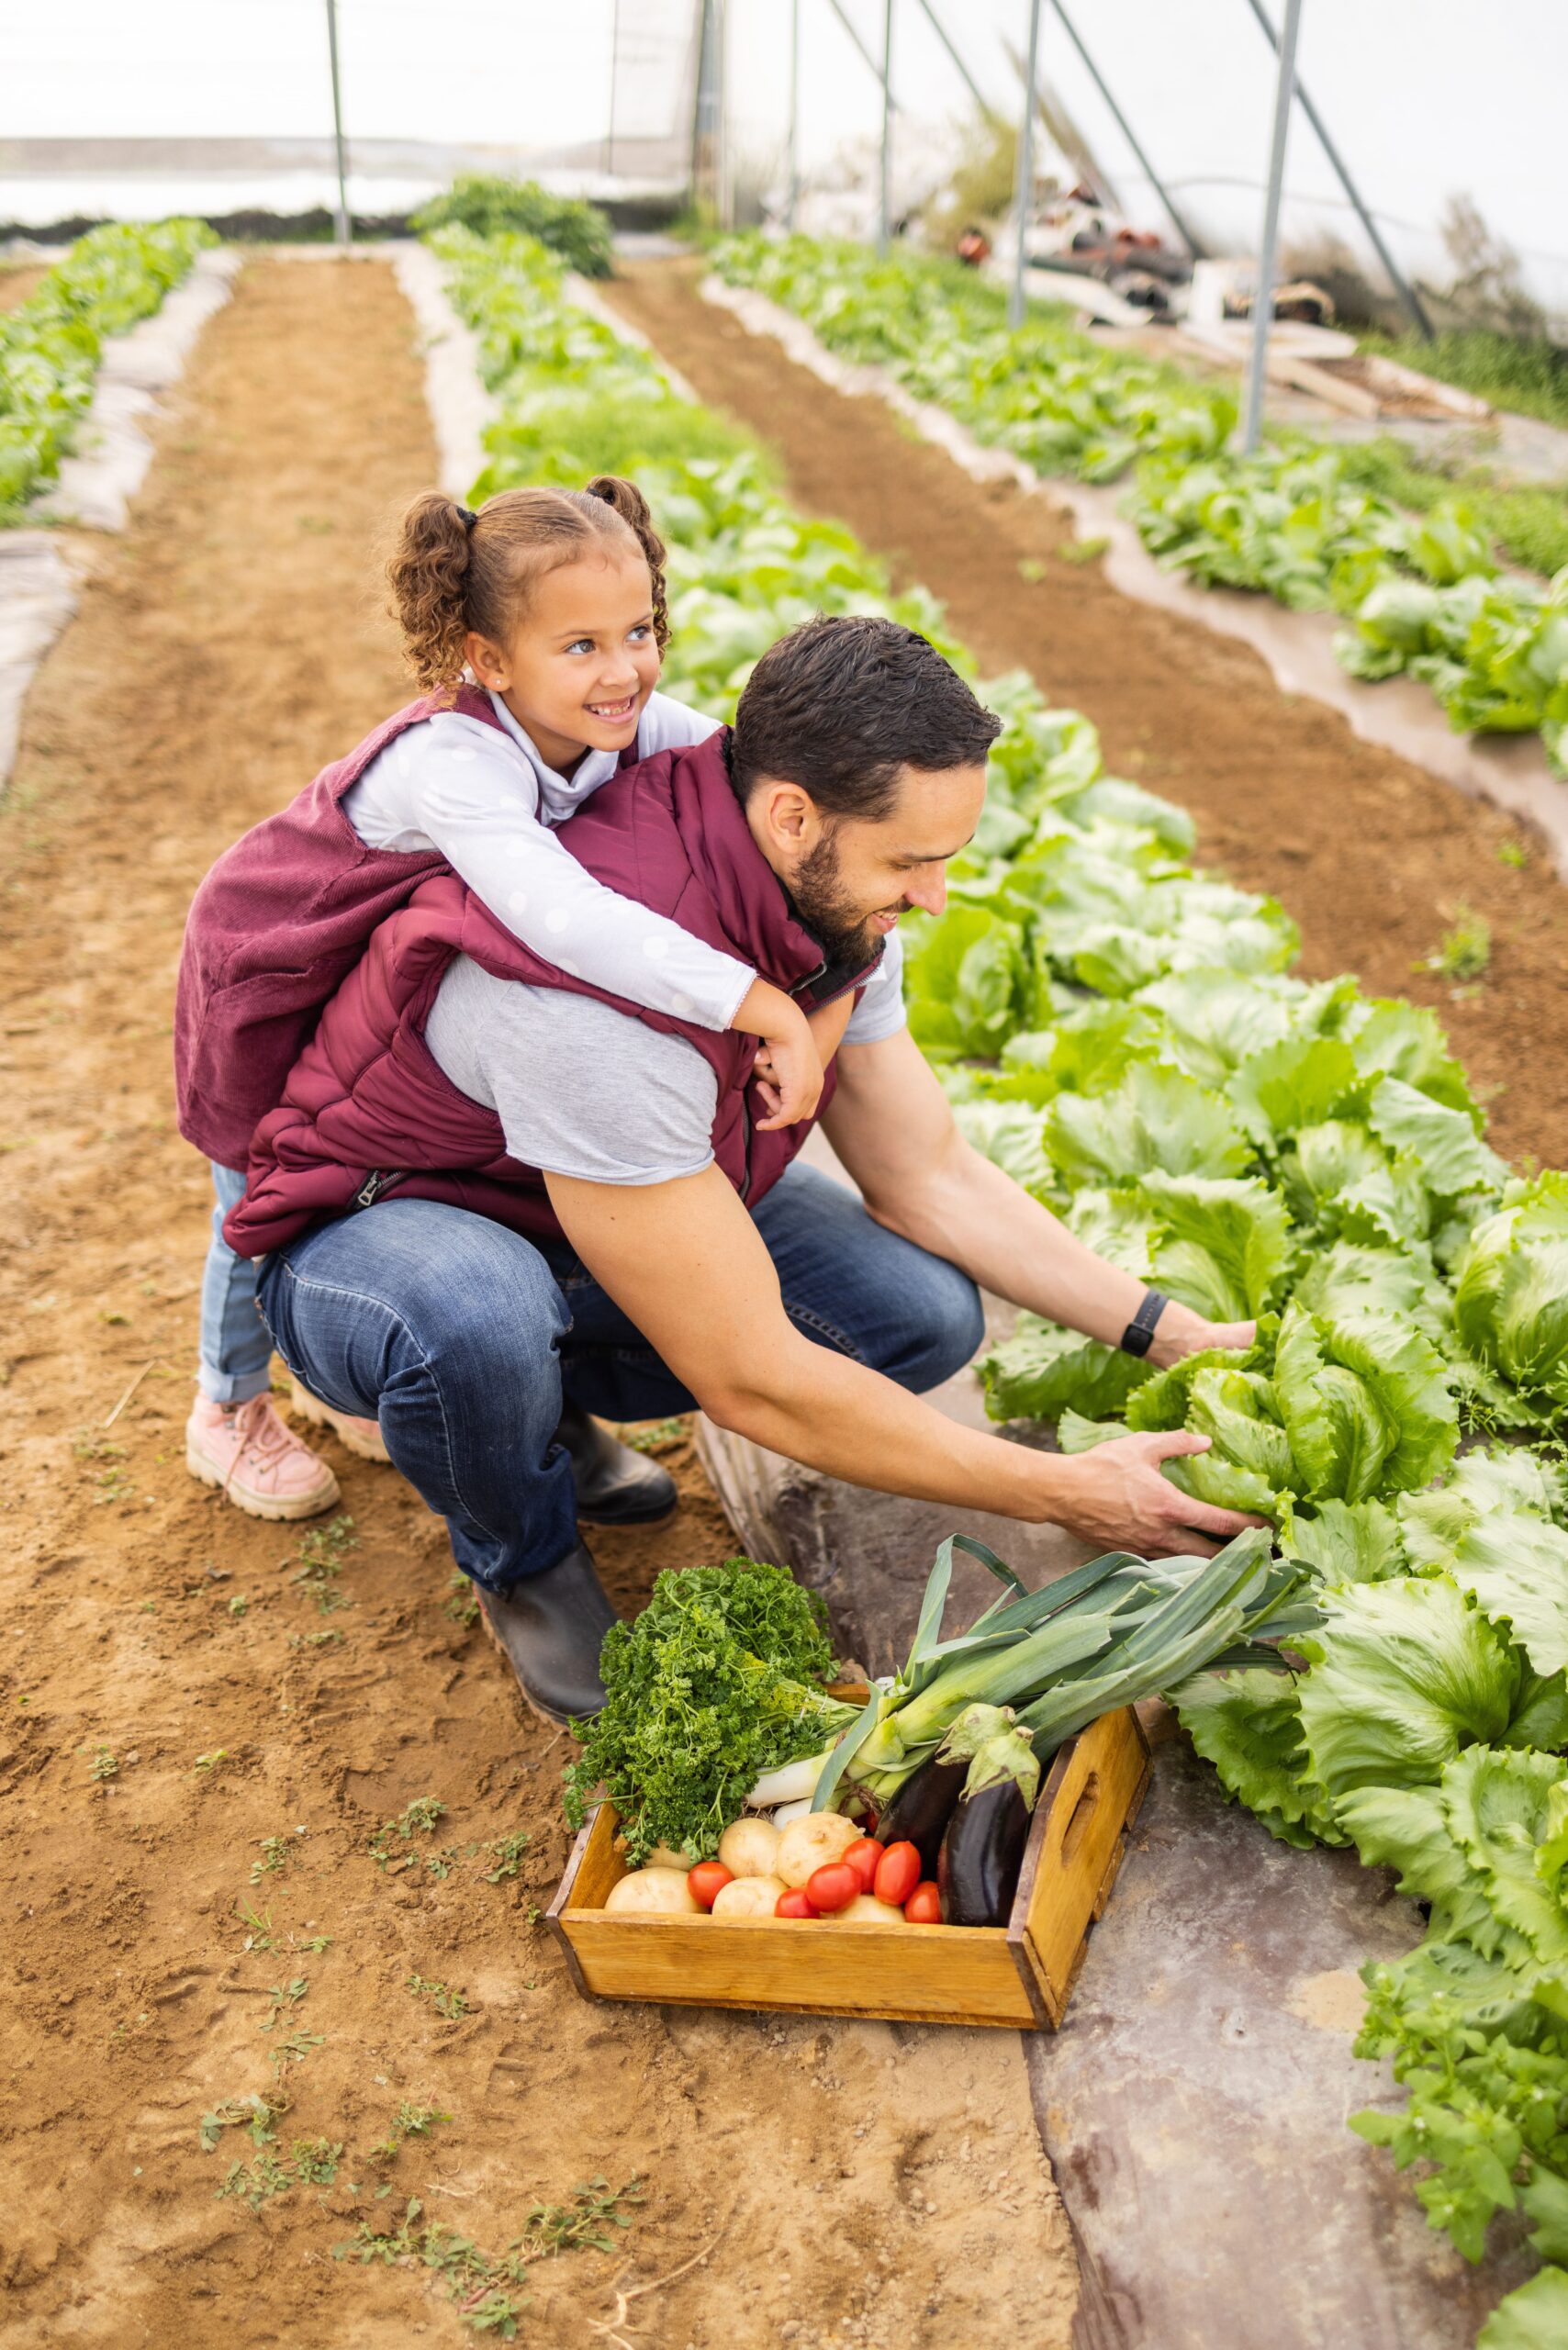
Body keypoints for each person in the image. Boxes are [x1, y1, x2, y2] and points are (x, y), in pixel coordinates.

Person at [204, 612, 1262, 1727]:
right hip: (379, 1224)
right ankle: (522, 1554)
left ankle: (541, 1408)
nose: (934, 897)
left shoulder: (830, 905)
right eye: (911, 862)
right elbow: (747, 1377)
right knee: (475, 1318)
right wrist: (1065, 1491)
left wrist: (1170, 1331)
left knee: (915, 1314)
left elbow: (927, 1174)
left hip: (583, 1193)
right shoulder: (603, 998)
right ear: (793, 813)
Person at [179, 477, 824, 1520]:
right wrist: (763, 1004)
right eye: (580, 647)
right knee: (254, 1173)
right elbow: (558, 915)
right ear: (487, 660)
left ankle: (348, 1390)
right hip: (278, 956)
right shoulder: (454, 757)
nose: (623, 671)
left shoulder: (633, 717)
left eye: (640, 630)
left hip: (382, 961)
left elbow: (740, 779)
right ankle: (228, 1404)